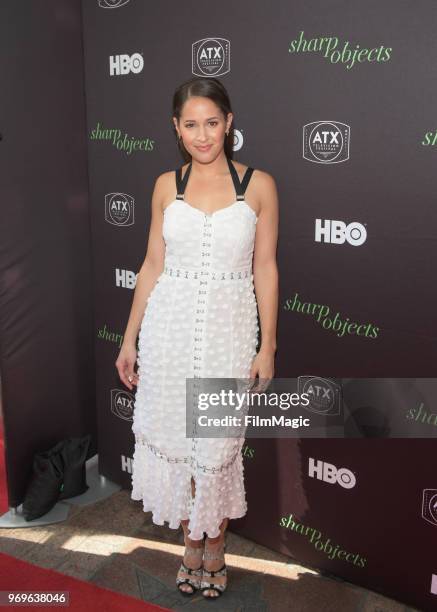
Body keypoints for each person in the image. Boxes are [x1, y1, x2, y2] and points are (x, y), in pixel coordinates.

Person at [116, 76, 278, 599]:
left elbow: (266, 268)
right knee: (182, 448)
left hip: (229, 338)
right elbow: (152, 264)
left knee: (216, 447)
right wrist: (128, 339)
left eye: (212, 123)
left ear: (229, 123)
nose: (203, 135)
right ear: (176, 129)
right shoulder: (168, 185)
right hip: (168, 333)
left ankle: (217, 548)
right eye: (191, 125)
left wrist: (267, 344)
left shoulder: (259, 185)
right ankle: (192, 547)